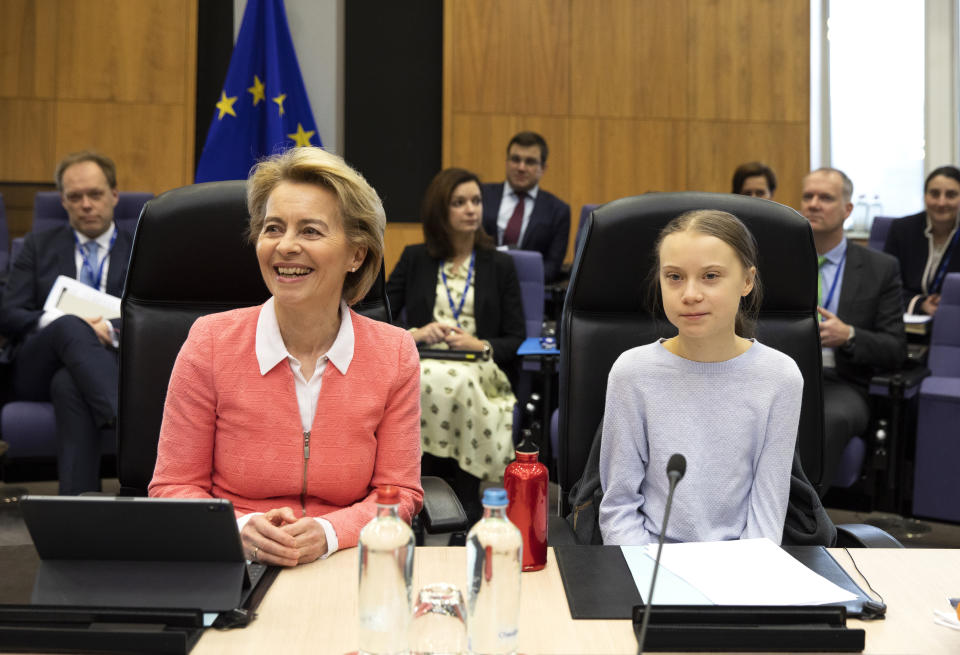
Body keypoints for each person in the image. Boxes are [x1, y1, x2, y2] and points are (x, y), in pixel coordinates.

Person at [149, 146, 422, 567]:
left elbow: (401, 494)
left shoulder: (395, 353)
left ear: (357, 254)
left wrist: (330, 532)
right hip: (232, 564)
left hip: (345, 560)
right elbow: (172, 486)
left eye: (310, 231)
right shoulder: (210, 342)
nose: (286, 246)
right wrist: (237, 528)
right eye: (273, 228)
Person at [599, 210, 803, 546]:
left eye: (710, 276)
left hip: (743, 568)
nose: (690, 294)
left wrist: (738, 586)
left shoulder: (780, 377)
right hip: (649, 565)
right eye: (674, 277)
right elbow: (619, 507)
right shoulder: (632, 372)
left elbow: (767, 512)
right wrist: (646, 576)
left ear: (747, 281)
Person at [387, 167, 524, 521]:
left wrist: (479, 345)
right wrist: (416, 334)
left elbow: (516, 336)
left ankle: (465, 494)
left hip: (478, 367)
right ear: (440, 210)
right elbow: (378, 319)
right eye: (459, 202)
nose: (471, 209)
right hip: (424, 360)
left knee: (459, 382)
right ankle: (418, 491)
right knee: (419, 381)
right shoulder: (415, 258)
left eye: (476, 201)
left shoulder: (500, 265)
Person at [0, 151, 130, 495]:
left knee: (69, 384)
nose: (86, 204)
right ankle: (128, 424)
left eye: (95, 194)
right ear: (63, 201)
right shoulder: (37, 245)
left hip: (110, 361)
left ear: (114, 195)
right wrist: (61, 321)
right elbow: (9, 313)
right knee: (71, 325)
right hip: (36, 366)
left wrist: (112, 331)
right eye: (75, 197)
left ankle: (79, 512)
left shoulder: (140, 247)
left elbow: (152, 314)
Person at [800, 167, 906, 487]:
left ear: (848, 210)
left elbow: (895, 348)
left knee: (827, 420)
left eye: (826, 198)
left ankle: (804, 523)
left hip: (842, 383)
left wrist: (850, 336)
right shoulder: (777, 262)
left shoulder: (880, 268)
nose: (814, 204)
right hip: (782, 375)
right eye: (808, 196)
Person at [481, 131, 571, 283]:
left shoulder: (558, 210)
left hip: (528, 288)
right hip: (481, 282)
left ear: (543, 168)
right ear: (506, 162)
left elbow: (552, 267)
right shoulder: (481, 196)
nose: (521, 167)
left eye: (529, 162)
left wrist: (512, 281)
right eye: (515, 159)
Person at [883, 165, 960, 315]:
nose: (941, 203)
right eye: (934, 194)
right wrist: (919, 304)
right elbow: (885, 286)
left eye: (951, 195)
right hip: (906, 320)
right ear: (924, 196)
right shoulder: (902, 229)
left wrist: (948, 301)